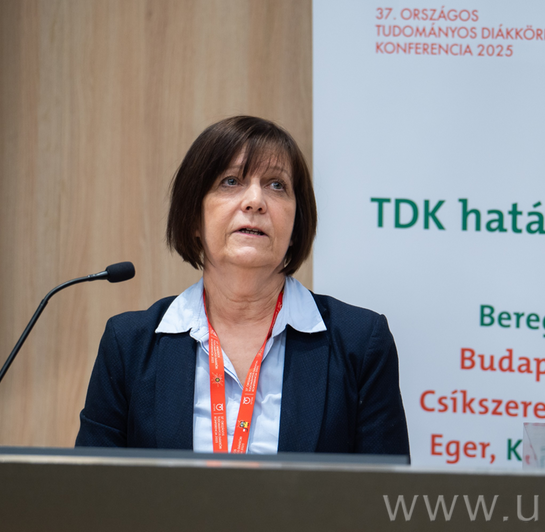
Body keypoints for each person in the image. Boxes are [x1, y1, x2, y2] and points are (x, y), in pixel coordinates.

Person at [75, 116, 409, 456]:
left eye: (276, 185)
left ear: (296, 225)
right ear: (194, 217)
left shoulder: (359, 343)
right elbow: (93, 485)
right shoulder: (129, 346)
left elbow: (383, 487)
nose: (255, 201)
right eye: (231, 181)